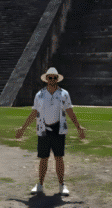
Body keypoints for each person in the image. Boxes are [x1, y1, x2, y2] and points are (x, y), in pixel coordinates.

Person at [16, 67, 86, 196]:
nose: (52, 80)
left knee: (59, 158)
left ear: (57, 79)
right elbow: (34, 113)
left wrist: (78, 127)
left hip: (58, 129)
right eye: (50, 77)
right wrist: (23, 128)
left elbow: (70, 111)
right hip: (43, 130)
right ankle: (40, 184)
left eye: (54, 77)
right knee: (43, 158)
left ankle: (61, 184)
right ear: (46, 79)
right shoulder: (40, 94)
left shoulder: (64, 94)